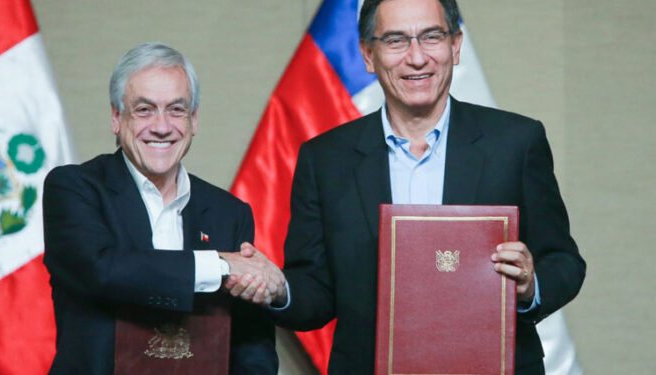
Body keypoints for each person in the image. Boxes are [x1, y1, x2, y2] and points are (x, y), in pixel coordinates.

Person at [230, 0, 586, 374]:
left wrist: (531, 287)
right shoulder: (325, 160)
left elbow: (564, 262)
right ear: (368, 54)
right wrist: (278, 289)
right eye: (396, 40)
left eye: (431, 36)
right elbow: (316, 294)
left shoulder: (516, 143)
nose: (417, 58)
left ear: (456, 45)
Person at [42, 42, 280, 375]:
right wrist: (221, 264)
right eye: (144, 109)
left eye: (176, 109)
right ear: (116, 117)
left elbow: (250, 343)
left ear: (194, 120)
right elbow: (104, 270)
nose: (162, 126)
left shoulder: (229, 213)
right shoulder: (74, 189)